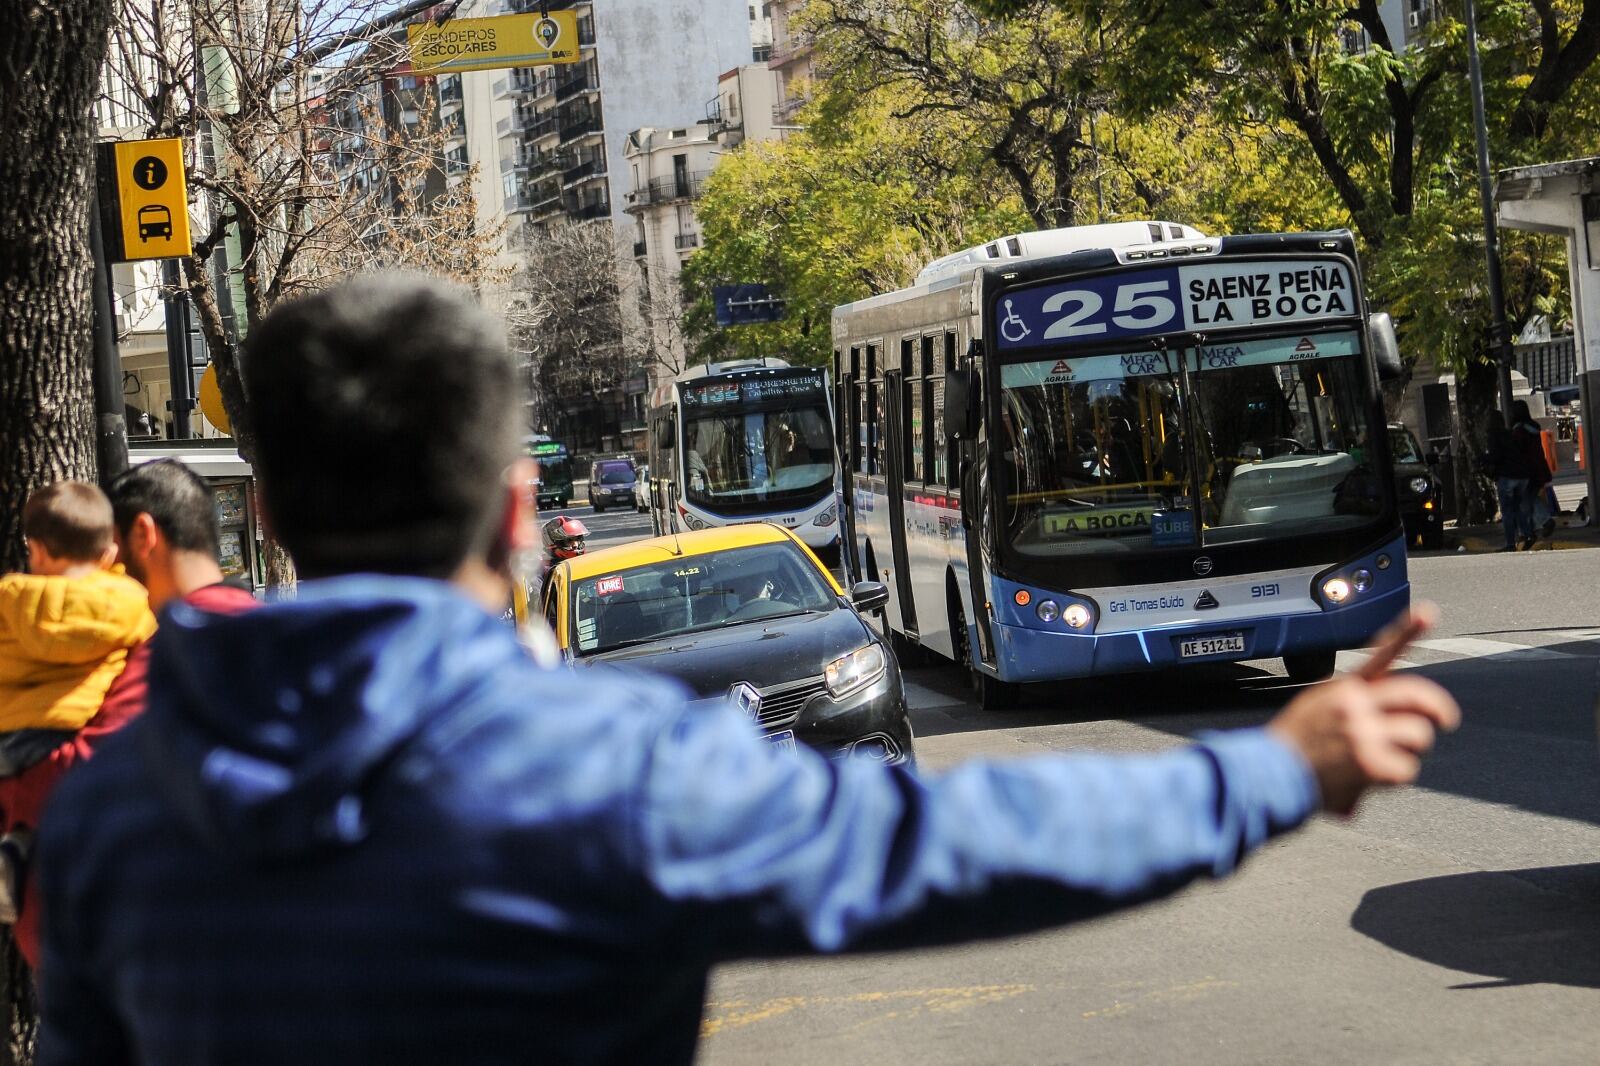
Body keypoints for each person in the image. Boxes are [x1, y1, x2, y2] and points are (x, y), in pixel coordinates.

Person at [36, 275, 1458, 1066]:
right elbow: (960, 844)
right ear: (523, 514)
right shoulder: (602, 767)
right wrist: (1274, 768)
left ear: (270, 515)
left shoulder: (108, 807)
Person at [0, 462, 257, 965]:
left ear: (142, 533)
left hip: (141, 948)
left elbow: (74, 772)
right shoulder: (258, 629)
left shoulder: (175, 646)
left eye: (109, 556)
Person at [0, 483, 156, 930]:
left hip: (12, 744)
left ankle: (17, 849)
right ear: (109, 552)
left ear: (35, 548)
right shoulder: (128, 604)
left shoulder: (10, 602)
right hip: (80, 735)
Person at [1484, 410, 1533, 551]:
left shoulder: (1493, 436)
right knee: (1518, 508)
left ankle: (1510, 542)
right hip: (1522, 475)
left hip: (1507, 476)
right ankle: (1527, 534)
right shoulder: (1510, 434)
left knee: (1507, 511)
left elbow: (1495, 457)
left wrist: (1482, 458)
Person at [1510, 400, 1555, 540]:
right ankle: (1533, 528)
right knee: (1530, 498)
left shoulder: (1519, 431)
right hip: (1539, 468)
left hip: (1526, 471)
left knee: (1526, 501)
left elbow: (1518, 452)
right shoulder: (1533, 428)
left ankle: (1541, 522)